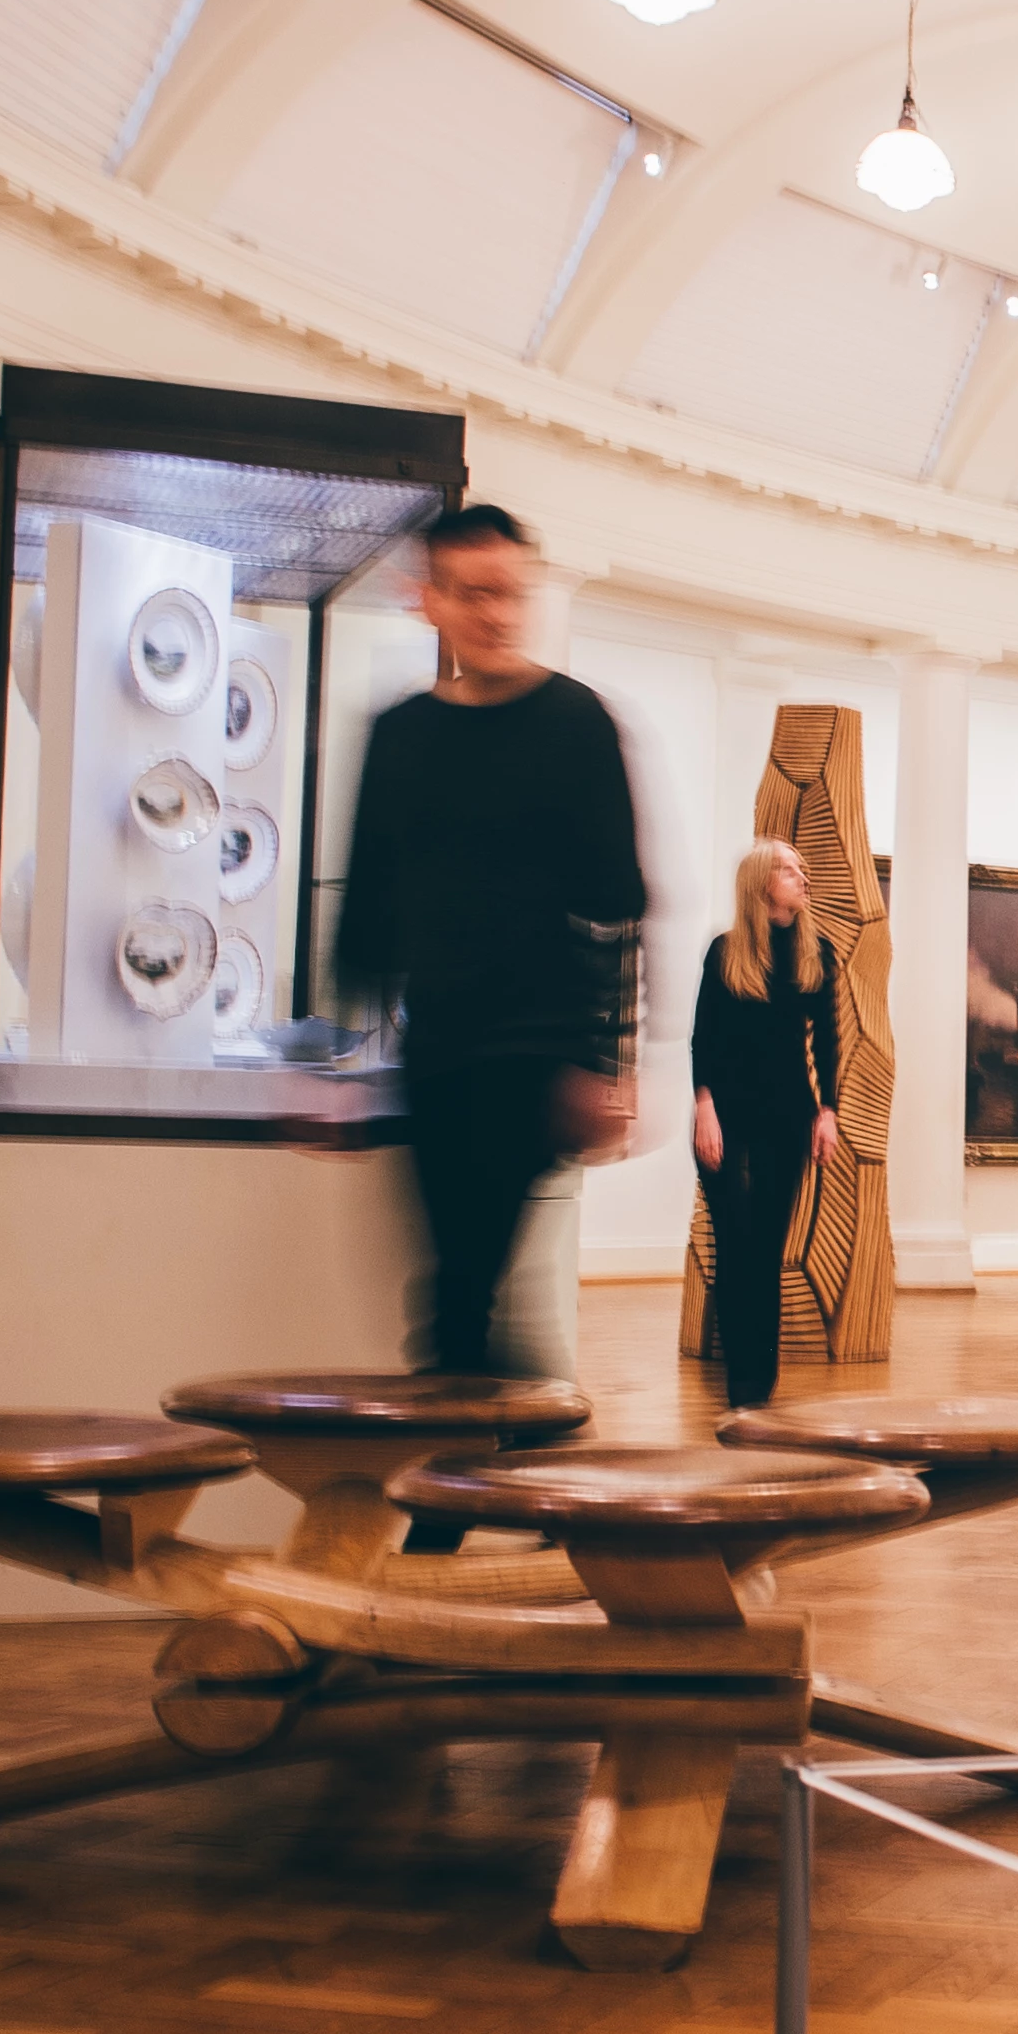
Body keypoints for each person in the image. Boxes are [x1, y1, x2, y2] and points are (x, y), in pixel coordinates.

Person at [333, 504, 646, 1381]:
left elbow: (619, 906)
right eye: (474, 594)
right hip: (437, 1053)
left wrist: (610, 1065)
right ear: (428, 601)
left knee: (463, 1290)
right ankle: (535, 1462)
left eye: (511, 593)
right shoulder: (401, 735)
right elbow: (367, 909)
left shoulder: (578, 722)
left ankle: (456, 1498)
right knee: (467, 1291)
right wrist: (333, 1065)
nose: (497, 614)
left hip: (537, 1057)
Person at [689, 839, 843, 1411]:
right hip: (724, 1116)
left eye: (803, 868)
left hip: (787, 1117)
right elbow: (704, 1036)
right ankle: (740, 1380)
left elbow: (828, 1038)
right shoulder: (725, 951)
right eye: (788, 868)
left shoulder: (816, 952)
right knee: (734, 1244)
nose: (802, 877)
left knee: (767, 1249)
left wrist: (828, 1111)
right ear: (760, 882)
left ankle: (760, 1385)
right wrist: (703, 1106)